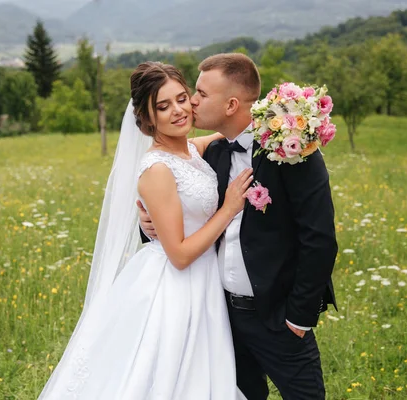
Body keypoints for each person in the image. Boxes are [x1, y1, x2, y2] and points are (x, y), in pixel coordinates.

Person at [37, 61, 253, 399]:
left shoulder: (190, 151)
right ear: (147, 118)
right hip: (175, 286)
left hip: (205, 281)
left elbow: (232, 131)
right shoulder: (156, 169)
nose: (178, 110)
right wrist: (227, 209)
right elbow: (179, 255)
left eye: (182, 98)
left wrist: (272, 119)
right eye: (163, 107)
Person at [140, 53, 338, 400]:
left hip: (277, 316)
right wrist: (147, 222)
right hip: (218, 314)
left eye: (198, 94)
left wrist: (298, 318)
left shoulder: (292, 150)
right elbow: (182, 200)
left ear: (231, 104)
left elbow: (319, 240)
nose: (191, 103)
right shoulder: (212, 153)